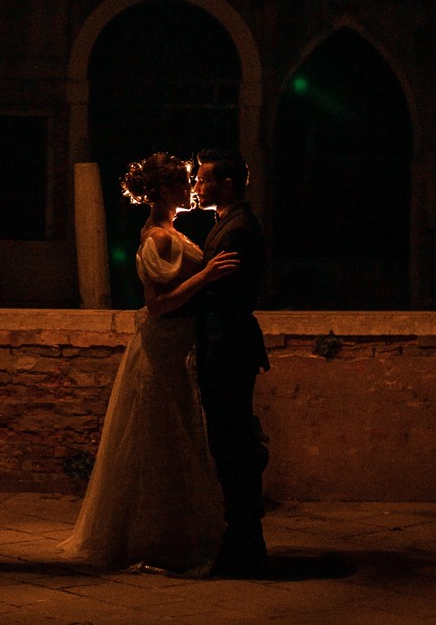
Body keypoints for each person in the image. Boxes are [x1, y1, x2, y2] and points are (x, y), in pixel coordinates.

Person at [60, 152, 240, 573]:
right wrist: (206, 276)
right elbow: (157, 305)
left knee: (173, 441)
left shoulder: (170, 231)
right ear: (163, 191)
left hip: (175, 349)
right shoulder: (157, 237)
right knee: (160, 443)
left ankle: (173, 534)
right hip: (161, 351)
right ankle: (154, 540)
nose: (191, 190)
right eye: (183, 184)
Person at [192, 146, 271, 577]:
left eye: (203, 180)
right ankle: (242, 541)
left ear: (226, 184)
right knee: (229, 442)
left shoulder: (237, 230)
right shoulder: (229, 224)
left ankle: (245, 544)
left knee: (233, 444)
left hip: (227, 349)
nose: (197, 187)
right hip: (225, 346)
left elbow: (223, 297)